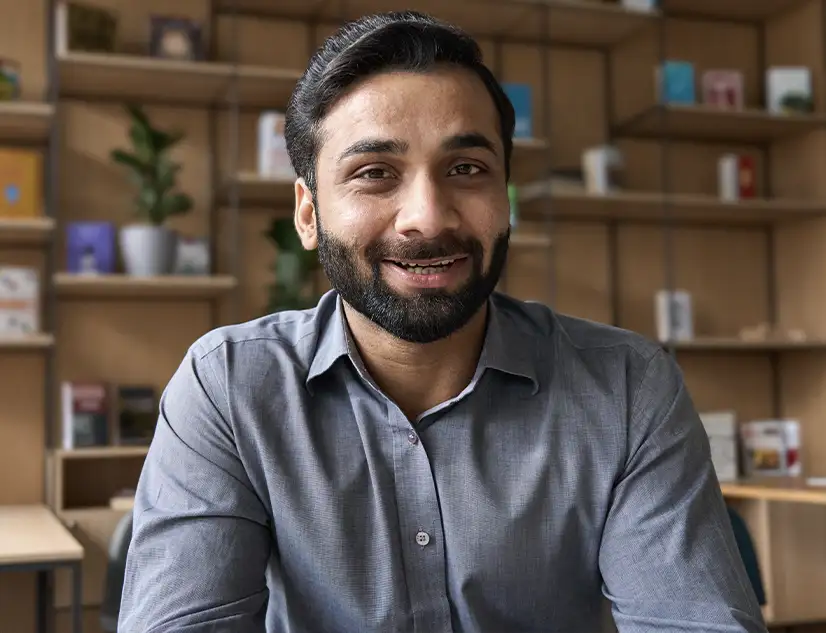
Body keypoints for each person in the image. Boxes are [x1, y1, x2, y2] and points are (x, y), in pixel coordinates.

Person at [118, 10, 768, 633]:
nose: (427, 217)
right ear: (308, 213)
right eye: (375, 173)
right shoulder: (229, 386)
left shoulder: (628, 387)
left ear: (505, 197)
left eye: (467, 169)